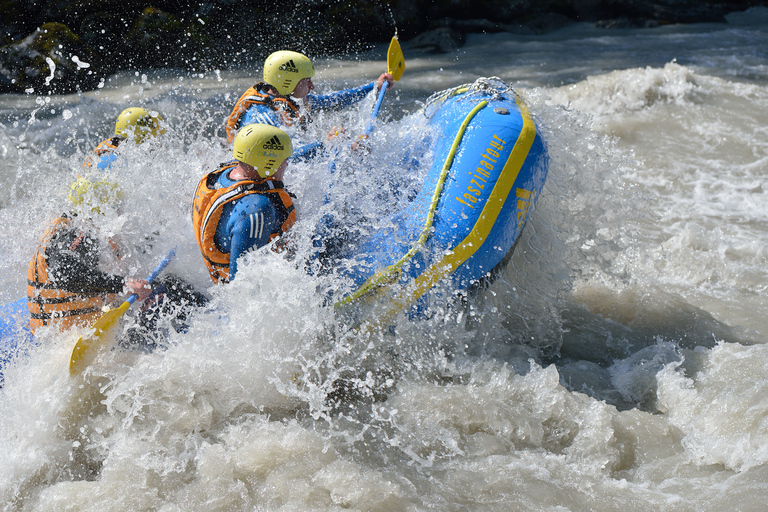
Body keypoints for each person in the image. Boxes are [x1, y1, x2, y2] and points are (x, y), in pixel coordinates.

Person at [27, 178, 206, 348]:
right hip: (72, 336)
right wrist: (124, 285)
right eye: (116, 208)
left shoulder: (72, 227)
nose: (120, 213)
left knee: (165, 284)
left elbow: (136, 251)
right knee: (173, 288)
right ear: (99, 210)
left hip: (71, 327)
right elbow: (63, 274)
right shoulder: (76, 234)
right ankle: (211, 327)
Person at [193, 124, 295, 283]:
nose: (287, 165)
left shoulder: (225, 174)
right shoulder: (257, 210)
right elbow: (243, 288)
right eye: (285, 160)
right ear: (269, 162)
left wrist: (324, 144)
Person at [224, 50, 394, 144]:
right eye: (306, 81)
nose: (312, 86)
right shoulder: (262, 117)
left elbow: (337, 100)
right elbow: (287, 156)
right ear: (287, 82)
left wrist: (374, 87)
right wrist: (325, 144)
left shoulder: (290, 100)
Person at [82, 107, 166, 171]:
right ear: (141, 138)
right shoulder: (112, 161)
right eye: (156, 138)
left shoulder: (119, 150)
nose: (160, 144)